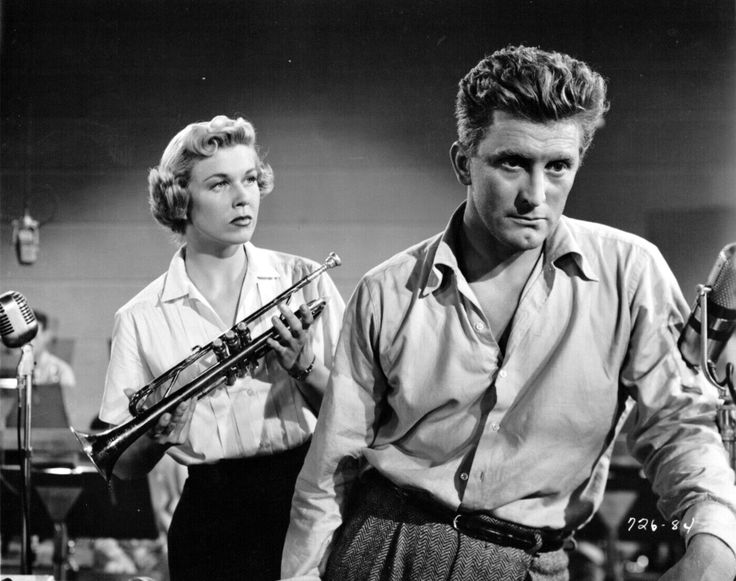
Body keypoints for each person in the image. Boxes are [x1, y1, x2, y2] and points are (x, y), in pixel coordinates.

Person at [281, 45, 736, 581]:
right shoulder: (386, 290)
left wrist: (715, 543)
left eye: (558, 167)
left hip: (528, 563)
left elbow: (680, 426)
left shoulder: (632, 274)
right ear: (463, 163)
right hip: (384, 549)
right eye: (512, 163)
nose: (534, 196)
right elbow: (331, 467)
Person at [97, 115, 345, 581]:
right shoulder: (140, 317)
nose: (243, 196)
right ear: (179, 199)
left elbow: (356, 418)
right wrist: (156, 437)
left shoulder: (304, 280)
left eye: (249, 179)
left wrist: (304, 365)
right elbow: (124, 465)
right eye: (219, 184)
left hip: (306, 503)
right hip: (208, 519)